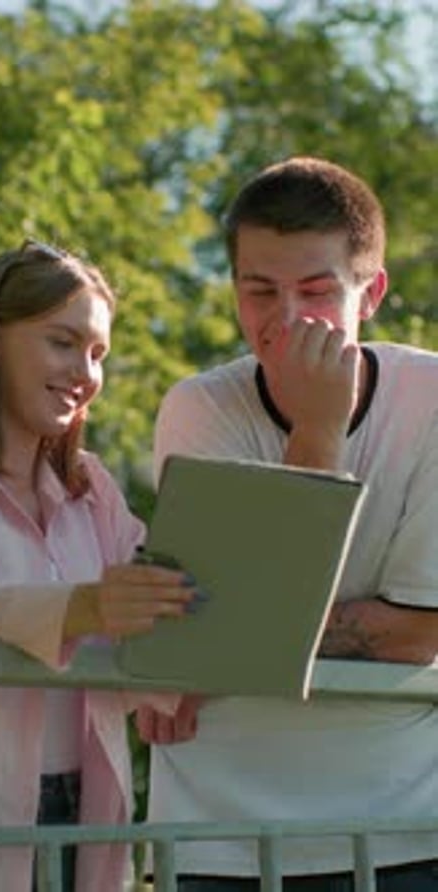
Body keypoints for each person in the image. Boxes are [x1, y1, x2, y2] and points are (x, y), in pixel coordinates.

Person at [136, 156, 438, 891]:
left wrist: (242, 635)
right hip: (217, 834)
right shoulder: (199, 407)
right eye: (259, 291)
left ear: (371, 294)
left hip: (401, 827)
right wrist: (319, 434)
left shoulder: (431, 397)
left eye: (315, 290)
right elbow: (214, 636)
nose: (285, 318)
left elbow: (422, 632)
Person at [0, 238, 202, 892]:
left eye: (97, 353)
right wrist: (81, 608)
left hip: (80, 814)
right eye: (63, 341)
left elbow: (149, 603)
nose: (85, 371)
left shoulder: (93, 489)